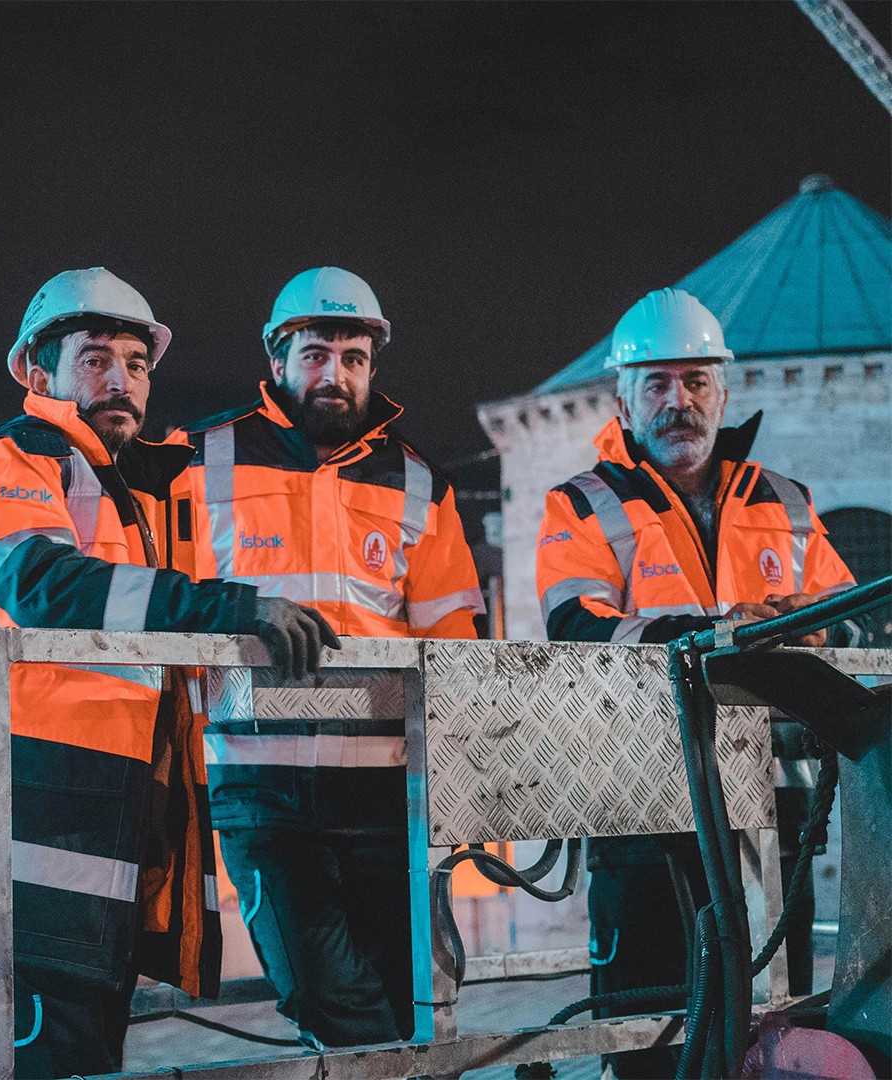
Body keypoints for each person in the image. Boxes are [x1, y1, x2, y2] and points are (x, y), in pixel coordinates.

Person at [0, 267, 338, 1078]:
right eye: (95, 358)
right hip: (12, 852)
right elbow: (42, 584)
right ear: (36, 371)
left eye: (136, 362)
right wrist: (233, 608)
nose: (122, 380)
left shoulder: (126, 488)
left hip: (89, 848)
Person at [536, 287, 863, 1079]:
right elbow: (575, 626)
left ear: (723, 389)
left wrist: (803, 624)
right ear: (622, 396)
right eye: (655, 383)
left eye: (694, 382)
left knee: (772, 1018)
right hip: (640, 798)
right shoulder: (582, 504)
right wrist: (725, 637)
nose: (676, 402)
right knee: (644, 1031)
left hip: (772, 798)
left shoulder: (786, 502)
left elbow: (848, 622)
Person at [172, 266, 485, 1048]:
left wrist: (462, 774)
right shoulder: (196, 461)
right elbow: (160, 600)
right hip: (257, 782)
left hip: (385, 788)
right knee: (326, 993)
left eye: (352, 358)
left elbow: (456, 646)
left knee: (400, 991)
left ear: (373, 365)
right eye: (315, 354)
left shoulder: (420, 483)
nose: (335, 375)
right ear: (276, 357)